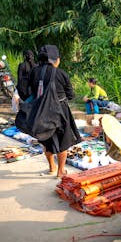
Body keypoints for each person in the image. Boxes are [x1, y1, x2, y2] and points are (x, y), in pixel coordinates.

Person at [27, 45, 82, 178]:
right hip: (60, 112)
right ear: (55, 59)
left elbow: (29, 91)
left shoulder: (34, 72)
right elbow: (70, 94)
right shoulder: (60, 73)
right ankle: (60, 171)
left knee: (46, 140)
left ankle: (52, 167)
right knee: (63, 142)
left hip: (40, 112)